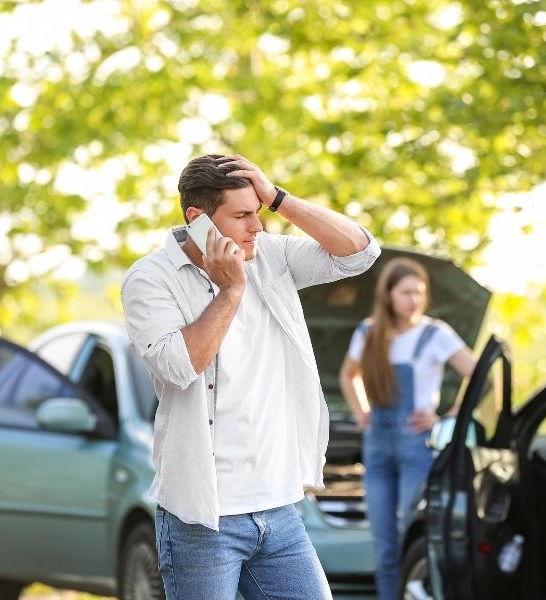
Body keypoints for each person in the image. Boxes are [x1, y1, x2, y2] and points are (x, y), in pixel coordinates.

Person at [121, 153, 380, 600]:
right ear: (197, 219)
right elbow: (180, 365)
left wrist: (278, 198)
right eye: (241, 216)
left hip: (279, 510)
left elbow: (360, 253)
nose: (256, 227)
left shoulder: (272, 256)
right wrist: (232, 290)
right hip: (202, 519)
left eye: (257, 212)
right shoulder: (149, 279)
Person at [339, 257, 476, 600]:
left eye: (419, 292)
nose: (414, 300)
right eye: (406, 293)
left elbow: (478, 373)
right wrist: (361, 411)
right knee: (384, 544)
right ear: (388, 295)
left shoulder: (435, 334)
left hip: (418, 448)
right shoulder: (368, 332)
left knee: (410, 537)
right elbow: (348, 374)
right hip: (377, 447)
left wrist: (447, 418)